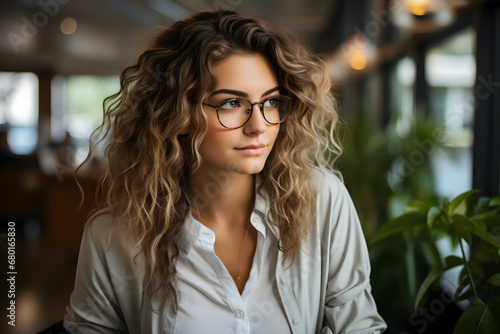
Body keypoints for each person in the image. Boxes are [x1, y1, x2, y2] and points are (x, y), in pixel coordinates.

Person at [64, 9, 387, 334]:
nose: (259, 126)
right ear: (179, 113)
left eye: (271, 102)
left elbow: (358, 326)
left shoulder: (322, 201)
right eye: (232, 103)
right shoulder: (113, 238)